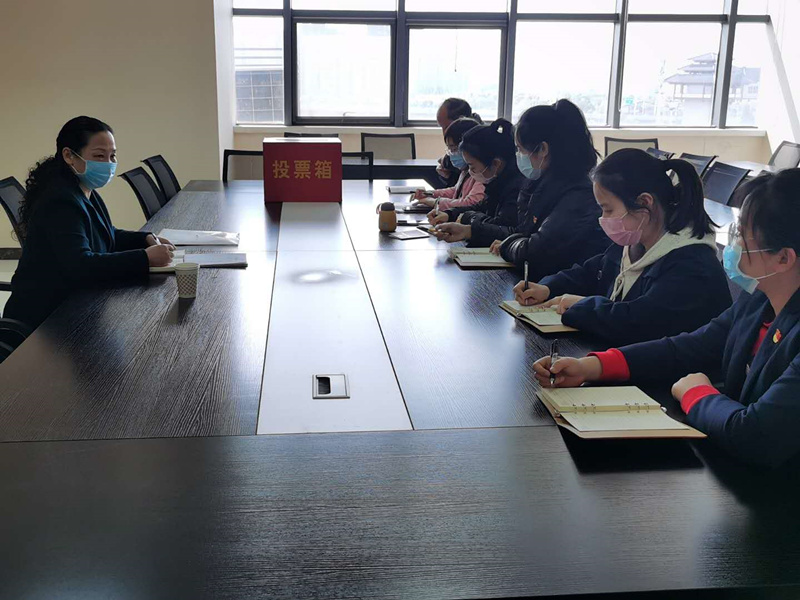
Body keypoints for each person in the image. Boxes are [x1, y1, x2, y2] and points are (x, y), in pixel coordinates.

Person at [533, 169, 800, 468]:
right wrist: (591, 367)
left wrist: (697, 393)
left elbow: (756, 436)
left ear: (783, 258)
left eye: (742, 235)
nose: (733, 244)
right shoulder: (758, 300)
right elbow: (689, 347)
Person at [513, 148, 731, 345]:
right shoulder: (637, 239)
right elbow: (594, 271)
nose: (602, 218)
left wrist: (582, 306)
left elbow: (638, 322)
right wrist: (549, 287)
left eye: (608, 209)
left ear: (644, 203)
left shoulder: (692, 266)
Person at [4, 116, 174, 329]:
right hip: (45, 320)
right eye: (99, 156)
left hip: (76, 304)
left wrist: (145, 238)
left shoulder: (82, 189)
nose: (109, 164)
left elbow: (105, 233)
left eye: (112, 156)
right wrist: (144, 258)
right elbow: (81, 266)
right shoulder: (60, 200)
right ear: (69, 155)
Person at [485, 99, 610, 271]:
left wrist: (508, 245)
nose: (518, 156)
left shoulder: (579, 194)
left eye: (520, 149)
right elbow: (526, 232)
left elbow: (535, 252)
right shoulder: (541, 182)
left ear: (543, 149)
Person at [428, 119, 525, 246]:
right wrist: (449, 214)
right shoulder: (497, 181)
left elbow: (504, 227)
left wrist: (468, 225)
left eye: (472, 167)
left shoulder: (516, 187)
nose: (470, 171)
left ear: (496, 164)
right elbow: (481, 207)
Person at [412, 118, 484, 210]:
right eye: (449, 149)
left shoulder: (482, 174)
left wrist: (436, 202)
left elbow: (470, 203)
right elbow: (455, 191)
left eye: (454, 149)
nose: (451, 154)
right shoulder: (466, 171)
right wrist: (430, 194)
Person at [435, 98, 482, 187]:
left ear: (460, 121)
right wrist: (447, 176)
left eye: (446, 127)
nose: (444, 133)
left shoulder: (478, 145)